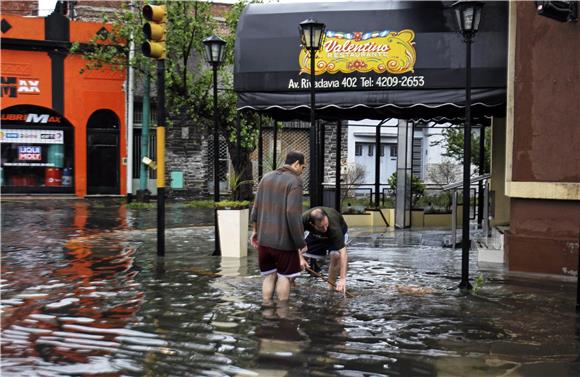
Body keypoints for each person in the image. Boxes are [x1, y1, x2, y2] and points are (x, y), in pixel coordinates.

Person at [250, 151, 309, 305]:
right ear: (296, 164)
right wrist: (300, 242)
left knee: (269, 276)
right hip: (283, 244)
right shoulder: (295, 181)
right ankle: (283, 317)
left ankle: (267, 310)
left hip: (264, 241)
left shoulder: (266, 177)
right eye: (302, 167)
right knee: (284, 277)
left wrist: (255, 232)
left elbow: (255, 209)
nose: (302, 171)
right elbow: (292, 213)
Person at [302, 206, 349, 294]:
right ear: (312, 224)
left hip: (337, 232)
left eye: (326, 225)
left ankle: (329, 288)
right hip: (315, 234)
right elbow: (293, 239)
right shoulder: (303, 220)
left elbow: (343, 253)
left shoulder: (333, 226)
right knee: (301, 253)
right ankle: (291, 282)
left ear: (327, 218)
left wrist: (342, 279)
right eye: (321, 227)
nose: (325, 229)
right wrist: (300, 258)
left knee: (336, 255)